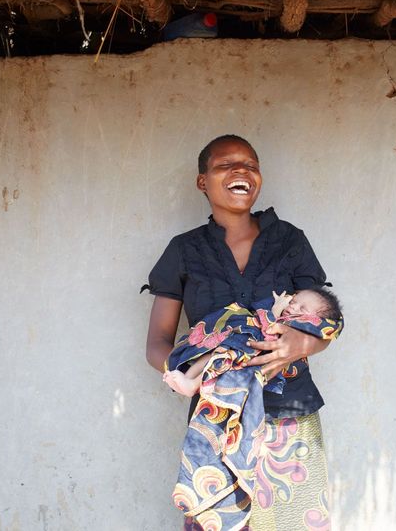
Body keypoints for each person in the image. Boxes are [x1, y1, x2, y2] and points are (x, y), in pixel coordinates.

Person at [142, 134, 336, 530]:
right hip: (218, 417)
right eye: (225, 165)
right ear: (203, 182)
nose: (241, 171)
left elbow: (325, 317)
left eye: (250, 164)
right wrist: (184, 376)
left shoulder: (289, 241)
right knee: (221, 520)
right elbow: (157, 342)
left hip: (290, 413)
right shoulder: (185, 250)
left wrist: (299, 344)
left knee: (293, 522)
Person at [163, 287, 343, 397]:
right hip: (238, 347)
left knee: (221, 357)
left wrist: (276, 309)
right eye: (294, 301)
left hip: (250, 364)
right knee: (213, 354)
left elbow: (269, 331)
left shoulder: (300, 329)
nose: (293, 306)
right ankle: (188, 379)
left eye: (302, 308)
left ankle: (194, 384)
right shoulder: (285, 315)